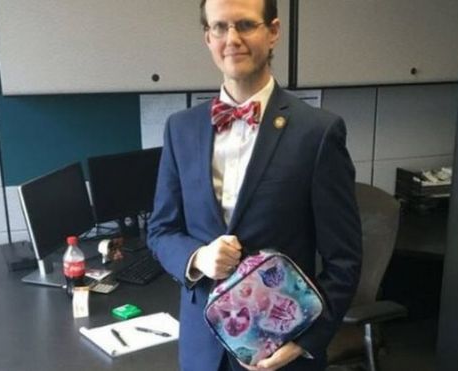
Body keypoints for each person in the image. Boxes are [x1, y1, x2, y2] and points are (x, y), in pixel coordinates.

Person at [147, 0, 362, 370]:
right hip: (202, 348)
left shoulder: (318, 132)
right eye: (220, 27)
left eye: (245, 25)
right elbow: (161, 230)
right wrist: (197, 258)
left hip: (283, 345)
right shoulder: (181, 129)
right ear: (207, 37)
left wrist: (305, 341)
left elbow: (344, 259)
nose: (232, 39)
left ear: (273, 31)